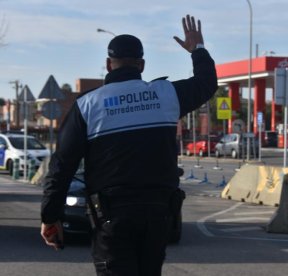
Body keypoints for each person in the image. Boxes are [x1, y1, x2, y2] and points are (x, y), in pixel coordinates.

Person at [40, 14, 217, 275]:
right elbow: (206, 83)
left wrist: (50, 217)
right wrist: (197, 50)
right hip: (158, 216)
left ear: (108, 65)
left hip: (112, 218)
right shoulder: (166, 95)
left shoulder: (88, 105)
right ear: (142, 65)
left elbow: (62, 165)